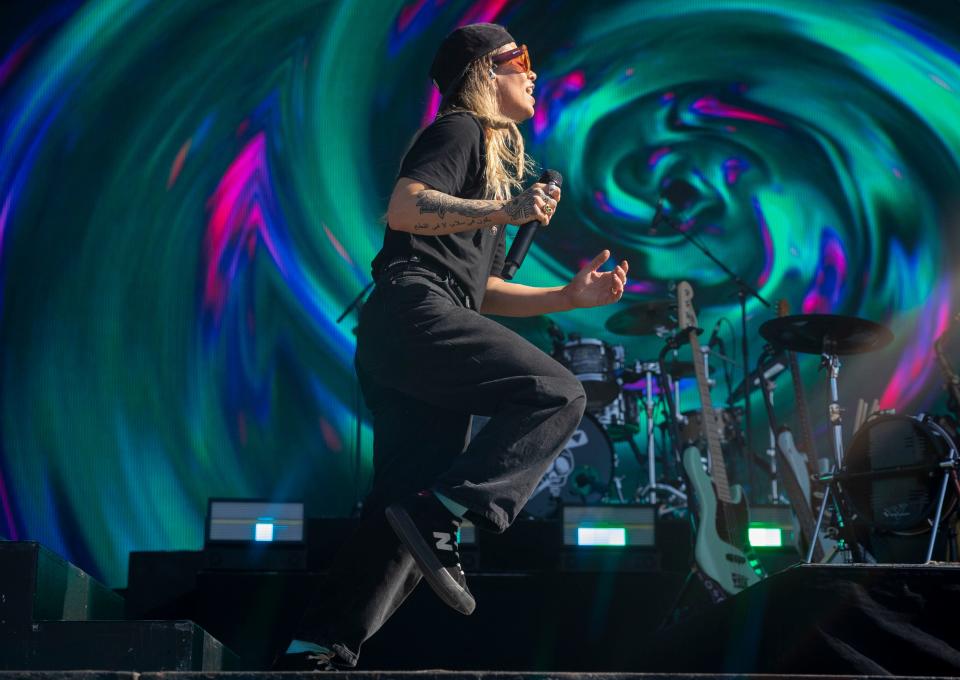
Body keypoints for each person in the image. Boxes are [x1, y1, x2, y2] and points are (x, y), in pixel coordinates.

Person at [274, 22, 629, 671]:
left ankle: (318, 649)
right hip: (414, 311)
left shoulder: (492, 175)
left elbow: (482, 290)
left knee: (399, 521)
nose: (533, 71)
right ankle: (448, 511)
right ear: (482, 72)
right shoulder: (461, 130)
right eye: (519, 58)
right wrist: (505, 212)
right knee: (557, 393)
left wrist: (567, 299)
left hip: (417, 327)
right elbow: (406, 209)